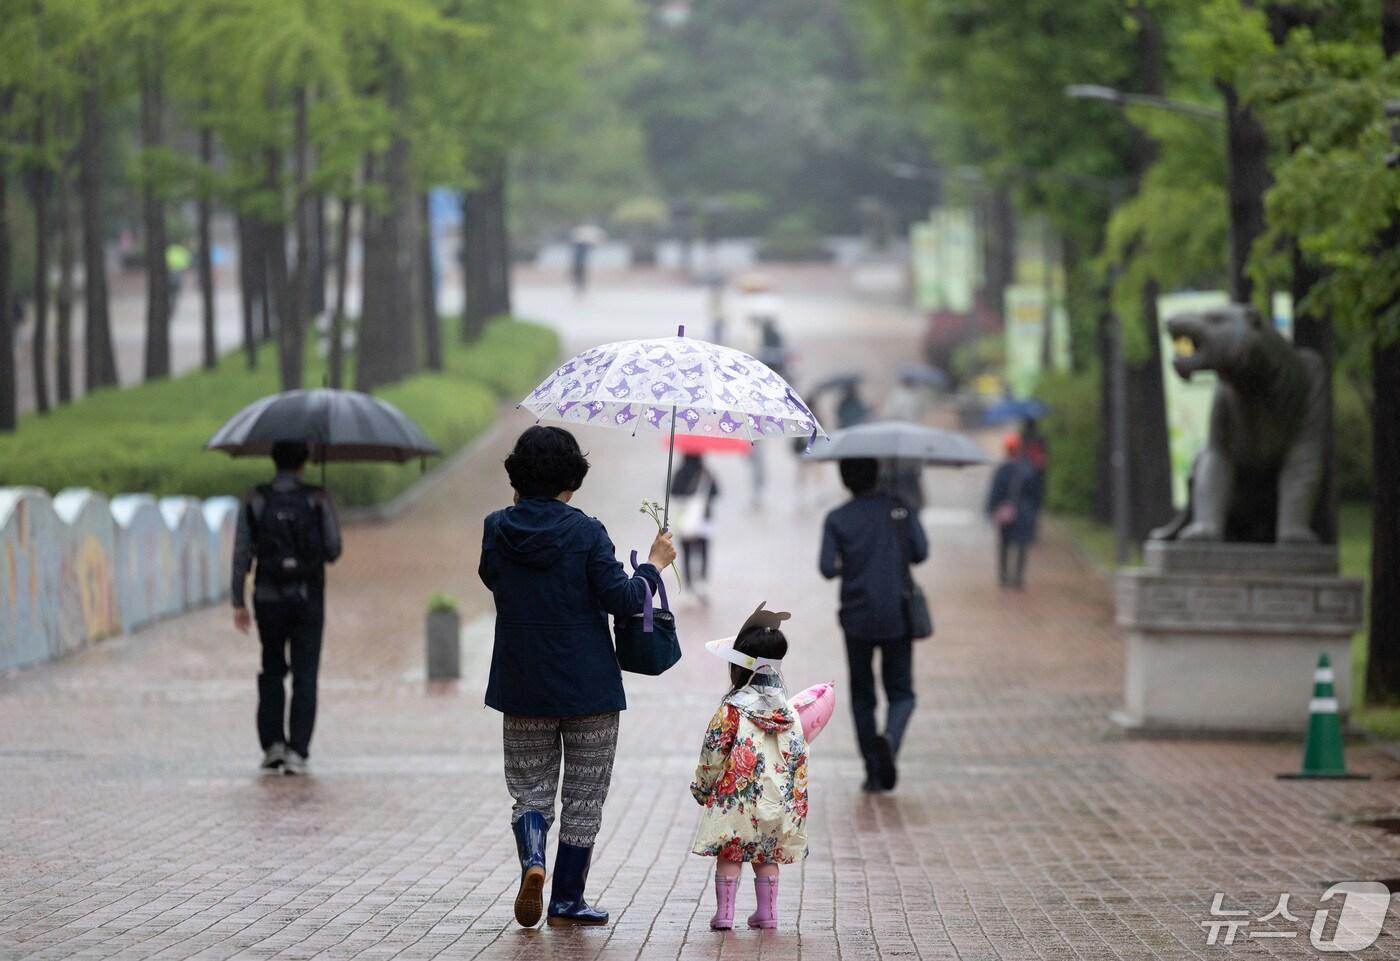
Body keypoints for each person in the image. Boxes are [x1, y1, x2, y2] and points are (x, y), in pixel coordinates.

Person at [479, 425, 676, 929]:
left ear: (517, 474)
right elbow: (627, 600)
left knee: (530, 789)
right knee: (584, 795)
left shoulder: (496, 527)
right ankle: (566, 898)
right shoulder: (587, 531)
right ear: (574, 475)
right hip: (589, 685)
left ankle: (532, 860)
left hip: (521, 683)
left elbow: (493, 578)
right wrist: (653, 564)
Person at [691, 607, 809, 931]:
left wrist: (703, 787)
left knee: (730, 853)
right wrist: (795, 800)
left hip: (736, 797)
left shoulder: (733, 708)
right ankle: (767, 913)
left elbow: (713, 750)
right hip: (775, 799)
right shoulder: (790, 712)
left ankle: (724, 915)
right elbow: (799, 758)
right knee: (766, 856)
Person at [231, 441, 343, 777]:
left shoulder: (256, 498)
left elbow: (241, 554)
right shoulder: (317, 497)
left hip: (267, 599)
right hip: (308, 597)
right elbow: (334, 549)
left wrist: (238, 601)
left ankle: (272, 746)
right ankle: (297, 751)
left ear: (273, 461)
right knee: (305, 673)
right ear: (303, 464)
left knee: (272, 667)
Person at [818, 458, 927, 792]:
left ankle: (872, 770)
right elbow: (921, 552)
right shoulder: (901, 509)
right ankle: (890, 740)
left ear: (845, 478)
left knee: (863, 696)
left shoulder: (837, 519)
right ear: (878, 475)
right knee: (902, 693)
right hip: (896, 614)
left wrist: (847, 563)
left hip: (857, 618)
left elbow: (826, 568)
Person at [986, 434, 1043, 589]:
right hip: (1024, 513)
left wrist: (991, 509)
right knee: (1021, 546)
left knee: (1004, 544)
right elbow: (1036, 493)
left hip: (1006, 513)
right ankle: (1018, 577)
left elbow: (995, 492)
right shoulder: (1028, 468)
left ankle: (1004, 576)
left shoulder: (1002, 469)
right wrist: (1034, 511)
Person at [670, 453, 720, 603]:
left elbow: (673, 492)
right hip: (704, 518)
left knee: (686, 553)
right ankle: (702, 582)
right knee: (703, 550)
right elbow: (717, 492)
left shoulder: (680, 472)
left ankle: (688, 585)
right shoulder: (706, 473)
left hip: (686, 519)